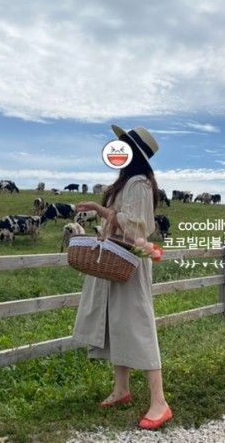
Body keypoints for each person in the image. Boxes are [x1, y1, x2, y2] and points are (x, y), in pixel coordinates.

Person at [72, 125, 172, 431]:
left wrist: (105, 213)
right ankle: (122, 389)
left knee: (137, 323)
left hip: (128, 261)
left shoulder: (140, 183)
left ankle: (160, 402)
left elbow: (138, 227)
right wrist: (101, 212)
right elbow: (120, 217)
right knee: (117, 322)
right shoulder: (128, 182)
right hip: (114, 260)